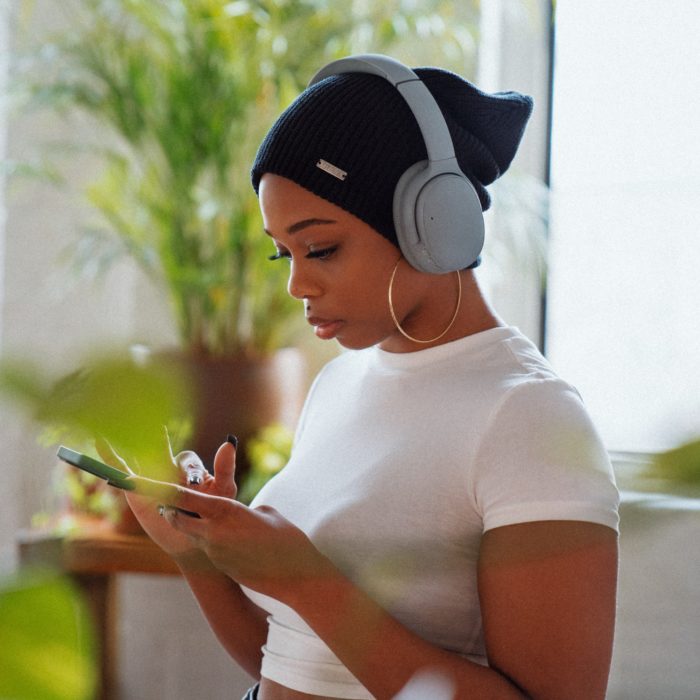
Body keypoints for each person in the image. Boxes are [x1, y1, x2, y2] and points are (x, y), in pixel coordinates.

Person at [104, 54, 620, 700]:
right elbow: (288, 659)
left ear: (433, 223)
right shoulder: (337, 389)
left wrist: (301, 577)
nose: (296, 283)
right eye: (281, 252)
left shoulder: (529, 418)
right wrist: (188, 550)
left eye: (320, 248)